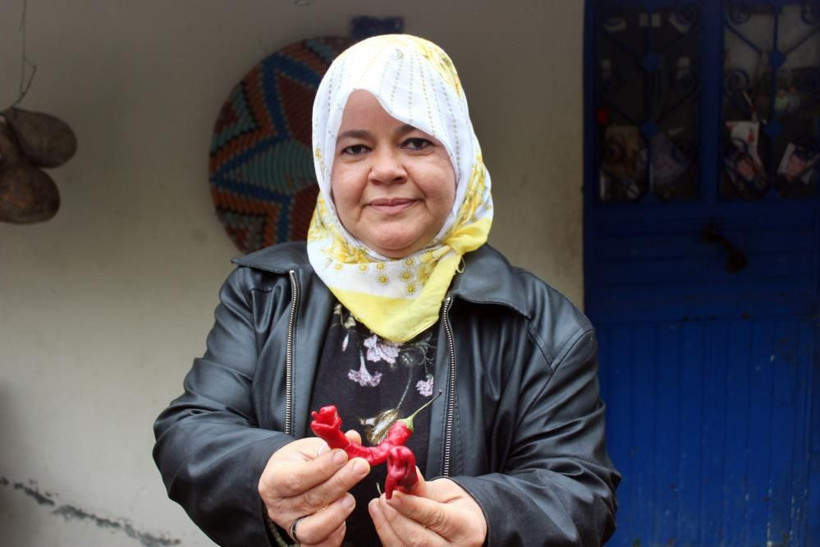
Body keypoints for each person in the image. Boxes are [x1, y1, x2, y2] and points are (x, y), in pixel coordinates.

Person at [153, 34, 619, 546]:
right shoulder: (264, 294)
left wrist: (487, 520)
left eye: (416, 142)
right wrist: (261, 473)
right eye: (355, 148)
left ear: (460, 156)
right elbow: (189, 431)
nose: (386, 170)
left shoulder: (541, 325)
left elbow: (581, 494)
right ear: (326, 167)